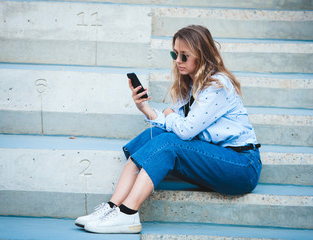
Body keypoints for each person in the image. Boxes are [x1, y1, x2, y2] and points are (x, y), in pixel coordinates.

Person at [75, 25, 261, 234]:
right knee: (153, 135)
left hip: (241, 166)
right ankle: (112, 207)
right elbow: (177, 126)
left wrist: (169, 113)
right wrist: (145, 108)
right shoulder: (189, 85)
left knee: (169, 143)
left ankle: (128, 214)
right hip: (215, 158)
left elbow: (185, 131)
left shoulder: (217, 85)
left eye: (184, 56)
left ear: (201, 56)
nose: (177, 61)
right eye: (175, 54)